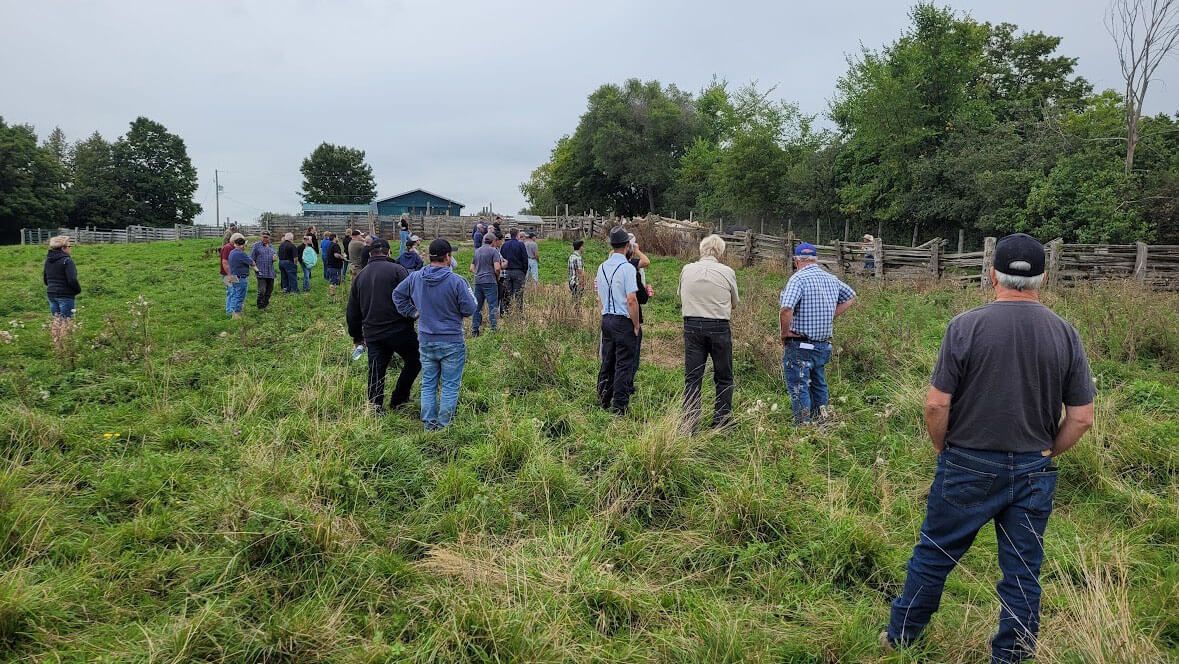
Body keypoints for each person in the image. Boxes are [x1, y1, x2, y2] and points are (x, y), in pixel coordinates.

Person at [883, 233, 1096, 664]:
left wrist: (944, 447)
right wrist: (1047, 453)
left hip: (966, 461)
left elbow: (936, 403)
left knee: (935, 552)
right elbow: (1081, 416)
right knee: (1021, 573)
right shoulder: (1065, 334)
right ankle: (1012, 656)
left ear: (990, 275)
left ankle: (902, 636)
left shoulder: (966, 325)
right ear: (1044, 278)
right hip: (1033, 469)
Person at [393, 239, 477, 430]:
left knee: (428, 383)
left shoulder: (415, 277)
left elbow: (397, 295)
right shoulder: (457, 281)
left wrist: (413, 313)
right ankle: (444, 424)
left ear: (429, 256)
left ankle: (429, 425)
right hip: (451, 341)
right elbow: (470, 309)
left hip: (426, 339)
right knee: (449, 385)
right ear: (448, 257)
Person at [779, 242, 856, 424]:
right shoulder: (830, 278)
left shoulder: (798, 279)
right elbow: (851, 296)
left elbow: (786, 308)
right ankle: (822, 421)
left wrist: (784, 333)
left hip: (800, 343)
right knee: (818, 382)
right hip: (822, 344)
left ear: (797, 261)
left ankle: (803, 425)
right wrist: (831, 314)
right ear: (815, 259)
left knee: (799, 384)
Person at [347, 239, 421, 414]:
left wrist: (357, 336)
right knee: (415, 360)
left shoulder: (360, 276)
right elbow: (411, 297)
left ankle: (374, 407)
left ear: (370, 254)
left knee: (375, 370)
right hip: (400, 330)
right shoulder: (398, 270)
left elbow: (352, 311)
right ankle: (399, 399)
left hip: (373, 333)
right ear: (388, 253)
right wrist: (414, 317)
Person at [679, 234, 740, 431]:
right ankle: (721, 420)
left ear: (701, 249)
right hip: (718, 325)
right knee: (723, 375)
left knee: (693, 376)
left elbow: (681, 294)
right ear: (720, 252)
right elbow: (734, 302)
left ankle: (690, 421)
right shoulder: (727, 272)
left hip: (692, 325)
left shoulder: (687, 269)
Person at [595, 227, 642, 415]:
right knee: (624, 363)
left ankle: (603, 397)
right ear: (627, 246)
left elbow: (600, 295)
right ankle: (620, 405)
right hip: (623, 320)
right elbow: (631, 299)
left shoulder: (602, 266)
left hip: (606, 317)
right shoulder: (627, 268)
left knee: (607, 359)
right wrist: (636, 324)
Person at [44, 235, 81, 350]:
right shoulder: (67, 260)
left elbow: (45, 279)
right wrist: (77, 290)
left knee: (57, 320)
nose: (71, 248)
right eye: (70, 246)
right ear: (63, 248)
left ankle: (56, 344)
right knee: (66, 321)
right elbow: (72, 279)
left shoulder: (48, 260)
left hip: (51, 294)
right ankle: (66, 347)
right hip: (65, 295)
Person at [470, 232, 504, 336]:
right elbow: (497, 268)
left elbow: (471, 268)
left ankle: (475, 330)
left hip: (478, 282)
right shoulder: (494, 251)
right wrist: (497, 276)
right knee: (492, 305)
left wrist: (479, 273)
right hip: (490, 281)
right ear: (493, 241)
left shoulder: (477, 251)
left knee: (477, 306)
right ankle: (493, 329)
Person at [499, 228, 529, 314]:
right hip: (518, 271)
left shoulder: (504, 245)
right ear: (517, 235)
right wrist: (524, 271)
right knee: (518, 294)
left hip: (507, 271)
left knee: (506, 294)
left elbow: (501, 258)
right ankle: (518, 313)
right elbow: (525, 259)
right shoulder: (521, 245)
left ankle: (506, 312)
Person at [225, 234, 254, 318]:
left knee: (232, 293)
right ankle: (236, 314)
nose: (245, 247)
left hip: (232, 275)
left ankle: (230, 311)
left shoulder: (231, 251)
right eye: (245, 245)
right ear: (242, 245)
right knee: (239, 295)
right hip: (239, 277)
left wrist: (229, 276)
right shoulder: (240, 253)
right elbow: (252, 262)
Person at [250, 231, 278, 310]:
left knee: (269, 290)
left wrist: (275, 257)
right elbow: (251, 258)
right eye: (263, 237)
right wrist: (255, 267)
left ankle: (265, 304)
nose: (265, 238)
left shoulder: (272, 247)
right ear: (261, 237)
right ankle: (260, 306)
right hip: (261, 272)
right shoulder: (256, 246)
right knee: (262, 290)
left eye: (267, 237)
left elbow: (275, 255)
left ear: (269, 238)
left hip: (270, 271)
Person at [323, 232, 346, 297]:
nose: (338, 238)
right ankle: (333, 296)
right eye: (337, 237)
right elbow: (336, 255)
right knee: (335, 282)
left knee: (332, 281)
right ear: (334, 238)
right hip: (335, 267)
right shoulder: (335, 245)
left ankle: (332, 295)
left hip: (330, 266)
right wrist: (343, 258)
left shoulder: (329, 245)